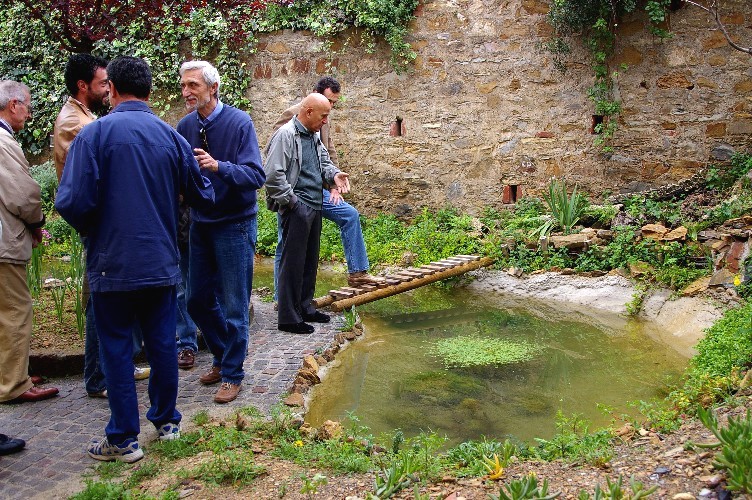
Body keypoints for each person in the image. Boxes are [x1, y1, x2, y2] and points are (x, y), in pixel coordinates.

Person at [56, 56, 214, 462]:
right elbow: (203, 194)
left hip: (112, 263)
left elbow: (72, 201)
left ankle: (124, 438)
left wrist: (96, 230)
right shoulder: (171, 137)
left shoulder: (94, 136)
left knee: (116, 350)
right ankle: (167, 421)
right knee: (163, 345)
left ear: (112, 90)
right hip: (160, 262)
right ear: (147, 89)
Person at [53, 53, 149, 398]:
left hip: (107, 221)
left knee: (114, 294)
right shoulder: (76, 124)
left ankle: (117, 365)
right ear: (84, 86)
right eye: (102, 83)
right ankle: (98, 376)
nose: (108, 88)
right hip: (100, 223)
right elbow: (79, 190)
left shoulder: (86, 116)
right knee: (100, 296)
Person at [176, 60, 266, 403]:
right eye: (184, 85)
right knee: (196, 300)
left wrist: (218, 167)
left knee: (234, 305)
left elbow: (256, 176)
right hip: (200, 224)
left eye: (193, 86)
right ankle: (222, 353)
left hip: (235, 224)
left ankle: (232, 373)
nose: (186, 92)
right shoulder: (185, 126)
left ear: (213, 88)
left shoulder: (239, 122)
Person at [272, 77, 384, 292]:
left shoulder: (323, 118)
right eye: (328, 101)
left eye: (334, 103)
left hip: (318, 189)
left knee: (349, 215)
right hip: (295, 192)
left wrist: (334, 182)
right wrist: (288, 197)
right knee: (283, 243)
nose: (331, 108)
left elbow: (328, 152)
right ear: (313, 96)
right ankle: (280, 297)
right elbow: (277, 151)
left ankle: (358, 273)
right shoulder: (293, 116)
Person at [265, 93, 350, 334]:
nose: (325, 121)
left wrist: (334, 175)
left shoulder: (312, 136)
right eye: (323, 116)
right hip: (298, 206)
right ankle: (288, 318)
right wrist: (292, 203)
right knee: (292, 263)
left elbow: (324, 162)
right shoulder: (286, 135)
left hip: (314, 205)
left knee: (309, 261)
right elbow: (272, 175)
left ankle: (305, 307)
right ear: (308, 112)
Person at [0, 80, 59, 404]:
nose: (30, 113)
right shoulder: (4, 142)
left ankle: (11, 373)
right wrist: (37, 222)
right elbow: (23, 194)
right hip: (4, 241)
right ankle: (13, 385)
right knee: (15, 312)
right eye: (28, 106)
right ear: (13, 105)